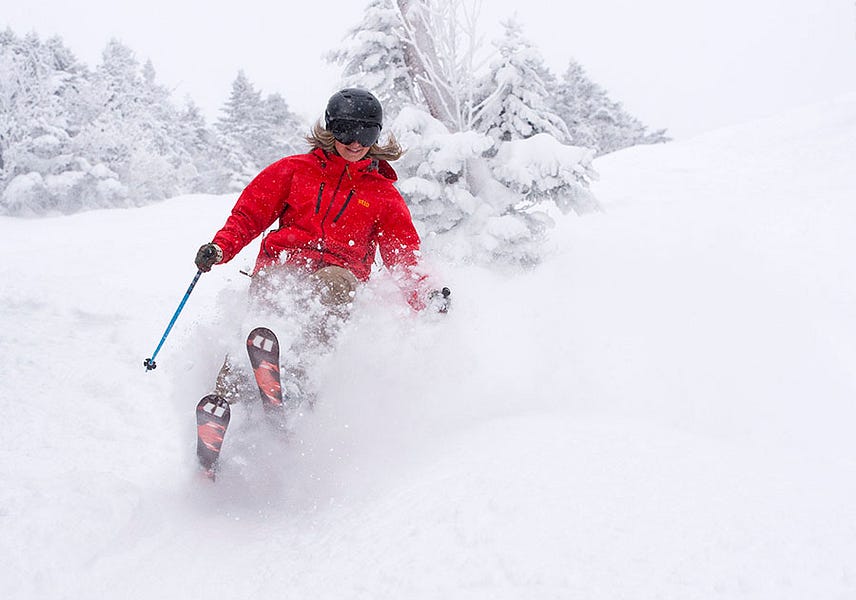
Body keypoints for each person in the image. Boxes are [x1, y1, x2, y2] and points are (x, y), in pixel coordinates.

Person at [194, 88, 450, 406]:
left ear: (377, 135)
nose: (356, 143)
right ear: (331, 129)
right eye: (346, 131)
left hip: (340, 277)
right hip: (285, 264)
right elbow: (249, 215)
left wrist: (426, 291)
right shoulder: (294, 171)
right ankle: (226, 401)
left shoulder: (382, 194)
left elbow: (402, 253)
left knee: (335, 284)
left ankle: (301, 381)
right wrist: (220, 248)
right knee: (274, 299)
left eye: (366, 133)